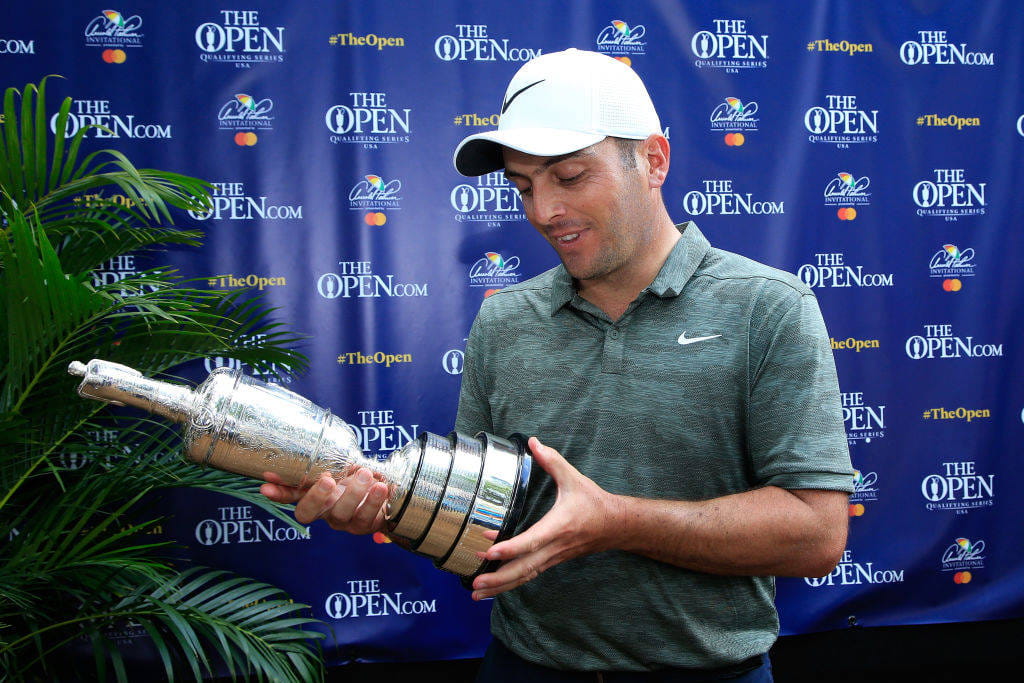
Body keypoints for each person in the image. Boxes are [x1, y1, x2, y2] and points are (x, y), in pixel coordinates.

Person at [262, 48, 854, 682]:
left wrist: (614, 522)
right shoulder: (505, 320)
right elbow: (477, 526)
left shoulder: (769, 308)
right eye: (524, 185)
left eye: (569, 177)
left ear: (653, 160)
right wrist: (390, 509)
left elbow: (816, 534)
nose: (542, 212)